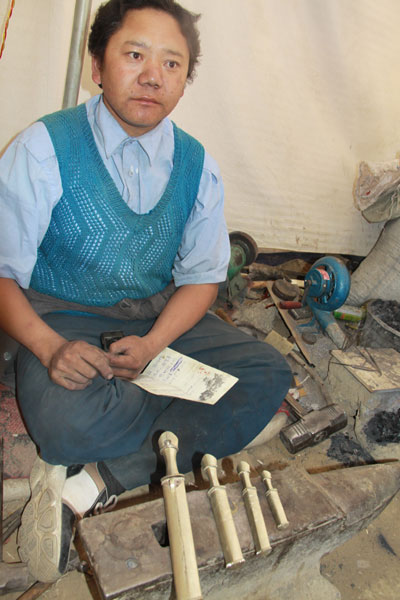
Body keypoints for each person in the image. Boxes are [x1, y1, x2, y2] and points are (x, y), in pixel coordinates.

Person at [0, 0, 292, 583]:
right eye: (134, 54)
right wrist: (50, 347)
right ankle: (172, 433)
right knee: (65, 424)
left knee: (267, 374)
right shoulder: (42, 148)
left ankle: (92, 483)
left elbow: (204, 276)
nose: (152, 76)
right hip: (63, 313)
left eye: (172, 64)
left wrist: (158, 343)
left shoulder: (196, 165)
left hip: (156, 315)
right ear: (98, 65)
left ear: (185, 81)